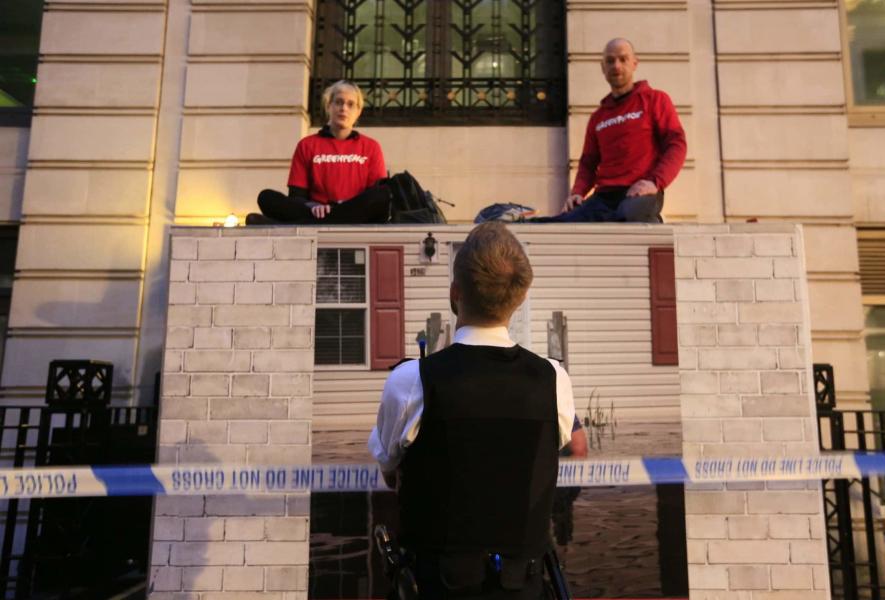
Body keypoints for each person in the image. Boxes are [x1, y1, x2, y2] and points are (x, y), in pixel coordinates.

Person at [369, 222, 576, 599]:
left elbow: (390, 473)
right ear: (520, 297)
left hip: (434, 588)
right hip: (522, 589)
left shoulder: (412, 380)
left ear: (454, 293)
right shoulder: (553, 379)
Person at [543, 38, 686, 223]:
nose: (616, 65)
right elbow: (588, 163)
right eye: (610, 61)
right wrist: (577, 192)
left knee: (626, 216)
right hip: (604, 196)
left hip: (639, 192)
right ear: (603, 68)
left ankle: (653, 223)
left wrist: (655, 182)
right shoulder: (598, 117)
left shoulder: (655, 100)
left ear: (635, 63)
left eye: (623, 59)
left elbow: (676, 144)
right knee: (563, 222)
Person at [246, 80, 390, 225]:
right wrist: (314, 206)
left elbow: (375, 197)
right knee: (266, 197)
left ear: (358, 111)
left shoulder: (371, 147)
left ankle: (289, 225)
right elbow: (296, 196)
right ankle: (323, 220)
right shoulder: (307, 145)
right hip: (316, 213)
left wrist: (340, 208)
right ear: (329, 106)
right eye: (338, 102)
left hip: (353, 212)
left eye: (350, 104)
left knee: (383, 194)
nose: (344, 108)